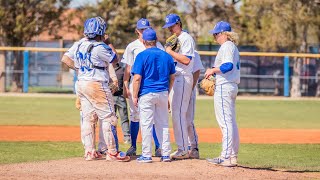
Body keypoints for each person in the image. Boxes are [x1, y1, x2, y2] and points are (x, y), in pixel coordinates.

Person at [67, 16, 130, 161]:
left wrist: (79, 68)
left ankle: (89, 152)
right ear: (101, 31)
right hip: (96, 84)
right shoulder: (101, 47)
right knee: (109, 118)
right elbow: (115, 59)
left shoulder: (79, 44)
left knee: (88, 119)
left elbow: (65, 58)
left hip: (82, 82)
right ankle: (112, 152)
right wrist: (108, 42)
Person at [131, 28, 175, 163]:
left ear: (144, 41)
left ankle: (146, 155)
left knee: (146, 124)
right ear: (156, 41)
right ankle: (166, 154)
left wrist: (134, 95)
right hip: (162, 93)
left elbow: (137, 78)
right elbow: (172, 77)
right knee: (163, 124)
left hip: (146, 93)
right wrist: (167, 91)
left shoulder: (141, 55)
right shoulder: (166, 56)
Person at [121, 18, 164, 157]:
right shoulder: (132, 46)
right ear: (137, 31)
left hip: (151, 83)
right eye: (141, 30)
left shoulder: (157, 45)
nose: (143, 32)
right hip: (136, 83)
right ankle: (133, 146)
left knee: (152, 117)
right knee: (135, 116)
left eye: (146, 29)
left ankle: (158, 147)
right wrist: (125, 85)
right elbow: (128, 67)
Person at [205, 21, 240, 167]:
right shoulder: (232, 47)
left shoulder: (226, 46)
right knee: (230, 122)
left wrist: (212, 70)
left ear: (223, 34)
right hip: (230, 86)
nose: (215, 37)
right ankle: (232, 156)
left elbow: (228, 66)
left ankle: (226, 157)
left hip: (224, 87)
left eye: (215, 34)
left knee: (225, 123)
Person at [162, 14, 195, 160]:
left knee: (179, 114)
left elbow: (187, 60)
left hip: (183, 78)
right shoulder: (174, 39)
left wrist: (170, 52)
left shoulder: (186, 38)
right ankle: (182, 147)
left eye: (171, 25)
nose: (169, 28)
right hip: (176, 78)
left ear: (178, 23)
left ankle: (183, 149)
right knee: (176, 114)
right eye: (168, 26)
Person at [187, 50, 204, 159]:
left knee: (188, 120)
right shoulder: (173, 51)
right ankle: (184, 147)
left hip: (189, 88)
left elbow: (197, 71)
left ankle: (194, 147)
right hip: (176, 87)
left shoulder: (194, 53)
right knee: (178, 119)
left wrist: (191, 87)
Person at [111, 62, 131, 144]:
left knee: (124, 118)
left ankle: (127, 138)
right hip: (110, 97)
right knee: (111, 119)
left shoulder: (122, 69)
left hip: (120, 96)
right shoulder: (105, 68)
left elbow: (127, 81)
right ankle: (112, 137)